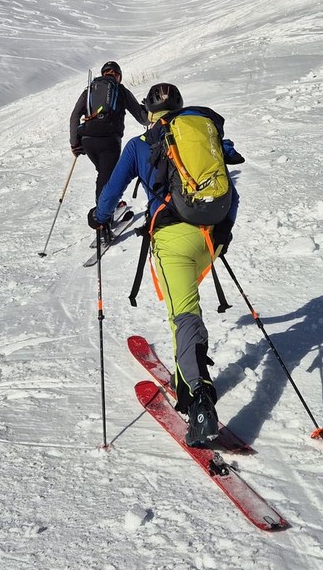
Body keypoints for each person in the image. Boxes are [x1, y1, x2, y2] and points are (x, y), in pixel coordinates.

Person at [88, 82, 236, 447]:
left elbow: (112, 191)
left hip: (173, 241)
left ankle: (199, 403)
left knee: (183, 313)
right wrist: (224, 232)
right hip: (211, 235)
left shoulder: (140, 145)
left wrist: (100, 216)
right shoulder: (199, 134)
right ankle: (188, 382)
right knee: (186, 311)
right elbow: (230, 173)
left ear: (149, 113)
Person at [68, 61, 148, 232]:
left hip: (87, 141)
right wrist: (151, 111)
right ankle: (102, 219)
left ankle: (107, 204)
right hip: (109, 141)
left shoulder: (90, 89)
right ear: (118, 76)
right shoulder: (121, 90)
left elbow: (75, 115)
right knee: (107, 179)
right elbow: (142, 118)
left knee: (104, 174)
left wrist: (75, 143)